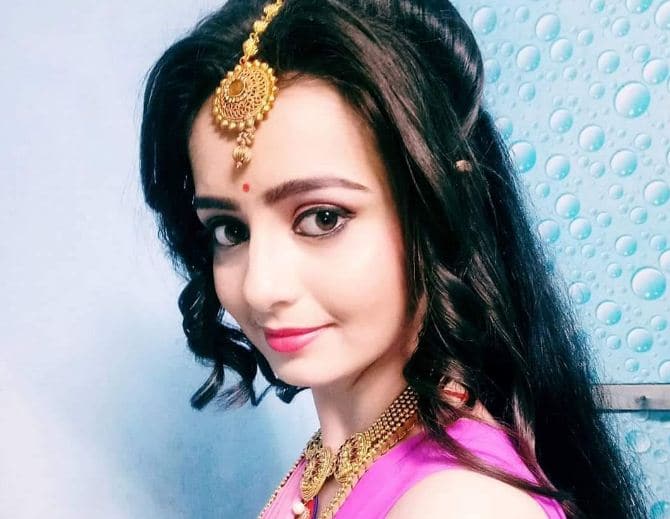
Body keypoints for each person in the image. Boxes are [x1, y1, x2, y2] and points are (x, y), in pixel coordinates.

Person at [139, 1, 651, 517]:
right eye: (230, 231)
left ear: (437, 212)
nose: (260, 287)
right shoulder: (339, 459)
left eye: (322, 218)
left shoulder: (459, 505)